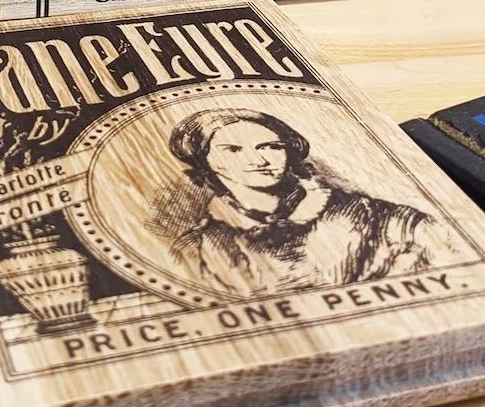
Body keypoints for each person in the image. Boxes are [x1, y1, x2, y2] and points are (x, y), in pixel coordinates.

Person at [166, 107, 461, 297]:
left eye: (271, 146)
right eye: (232, 150)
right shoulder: (197, 247)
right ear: (205, 163)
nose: (258, 160)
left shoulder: (387, 219)